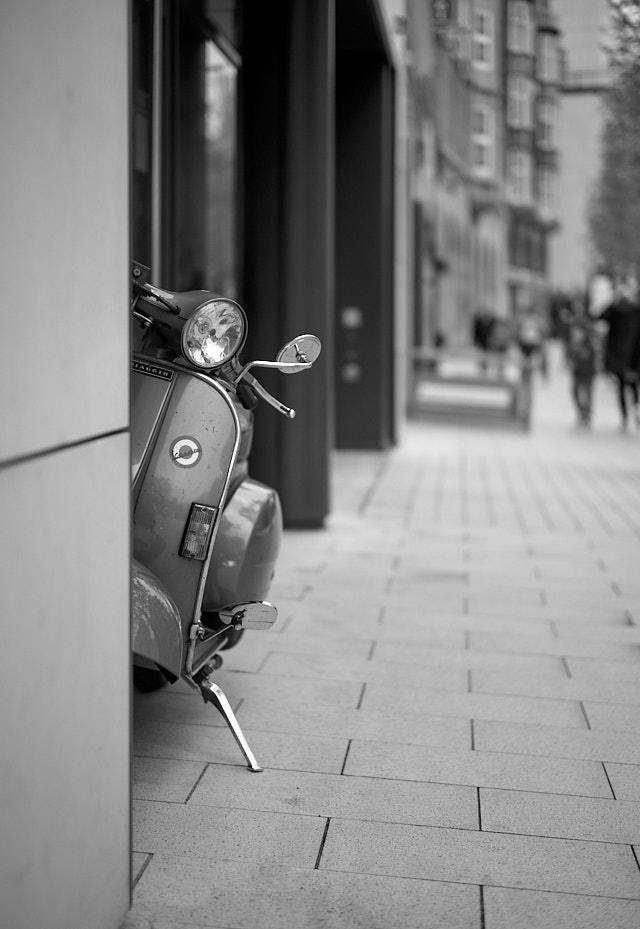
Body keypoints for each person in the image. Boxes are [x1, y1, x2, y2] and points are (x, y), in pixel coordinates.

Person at [598, 277, 640, 430]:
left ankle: (630, 415)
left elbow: (600, 316)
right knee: (627, 385)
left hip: (629, 354)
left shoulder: (628, 310)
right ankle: (629, 415)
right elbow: (600, 316)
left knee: (628, 385)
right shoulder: (622, 311)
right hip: (625, 355)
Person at [566, 311, 597, 427]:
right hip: (577, 372)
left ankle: (586, 414)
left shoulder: (589, 343)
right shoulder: (573, 343)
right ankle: (581, 411)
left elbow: (590, 356)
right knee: (575, 391)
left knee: (587, 393)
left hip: (588, 372)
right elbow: (569, 356)